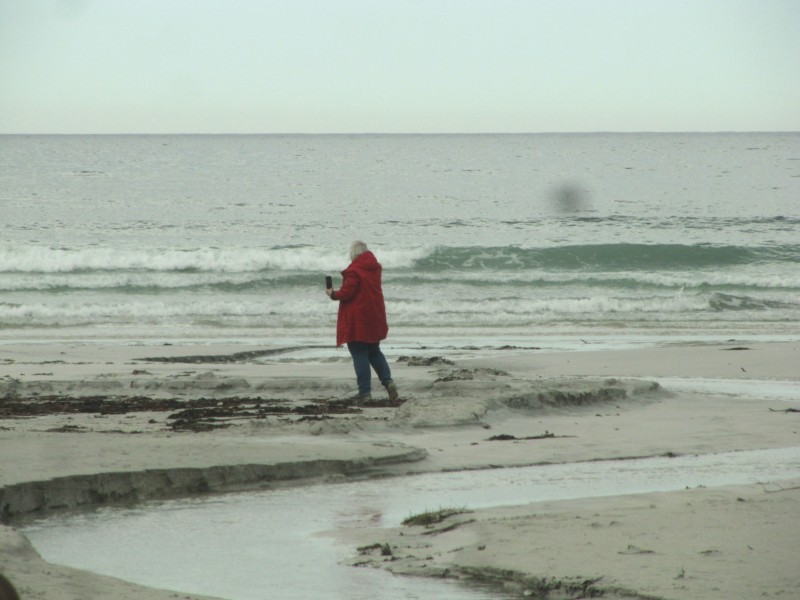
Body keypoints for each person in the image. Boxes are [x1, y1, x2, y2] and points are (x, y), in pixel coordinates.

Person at [326, 240, 399, 402]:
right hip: (374, 315)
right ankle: (388, 382)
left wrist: (332, 294)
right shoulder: (375, 268)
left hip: (358, 318)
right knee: (374, 351)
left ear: (354, 254)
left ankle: (365, 392)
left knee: (359, 353)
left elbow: (347, 293)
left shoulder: (354, 271)